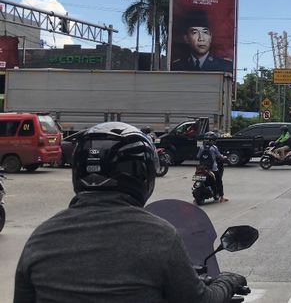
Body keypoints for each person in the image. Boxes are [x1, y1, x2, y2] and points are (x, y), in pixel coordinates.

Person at [14, 122, 246, 303]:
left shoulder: (41, 238)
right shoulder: (160, 237)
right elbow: (200, 300)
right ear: (143, 175)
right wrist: (227, 281)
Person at [197, 133, 228, 203]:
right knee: (219, 181)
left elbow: (198, 156)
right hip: (212, 168)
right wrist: (224, 157)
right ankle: (222, 197)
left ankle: (196, 198)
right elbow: (220, 156)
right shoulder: (214, 147)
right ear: (213, 140)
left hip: (202, 168)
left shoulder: (201, 147)